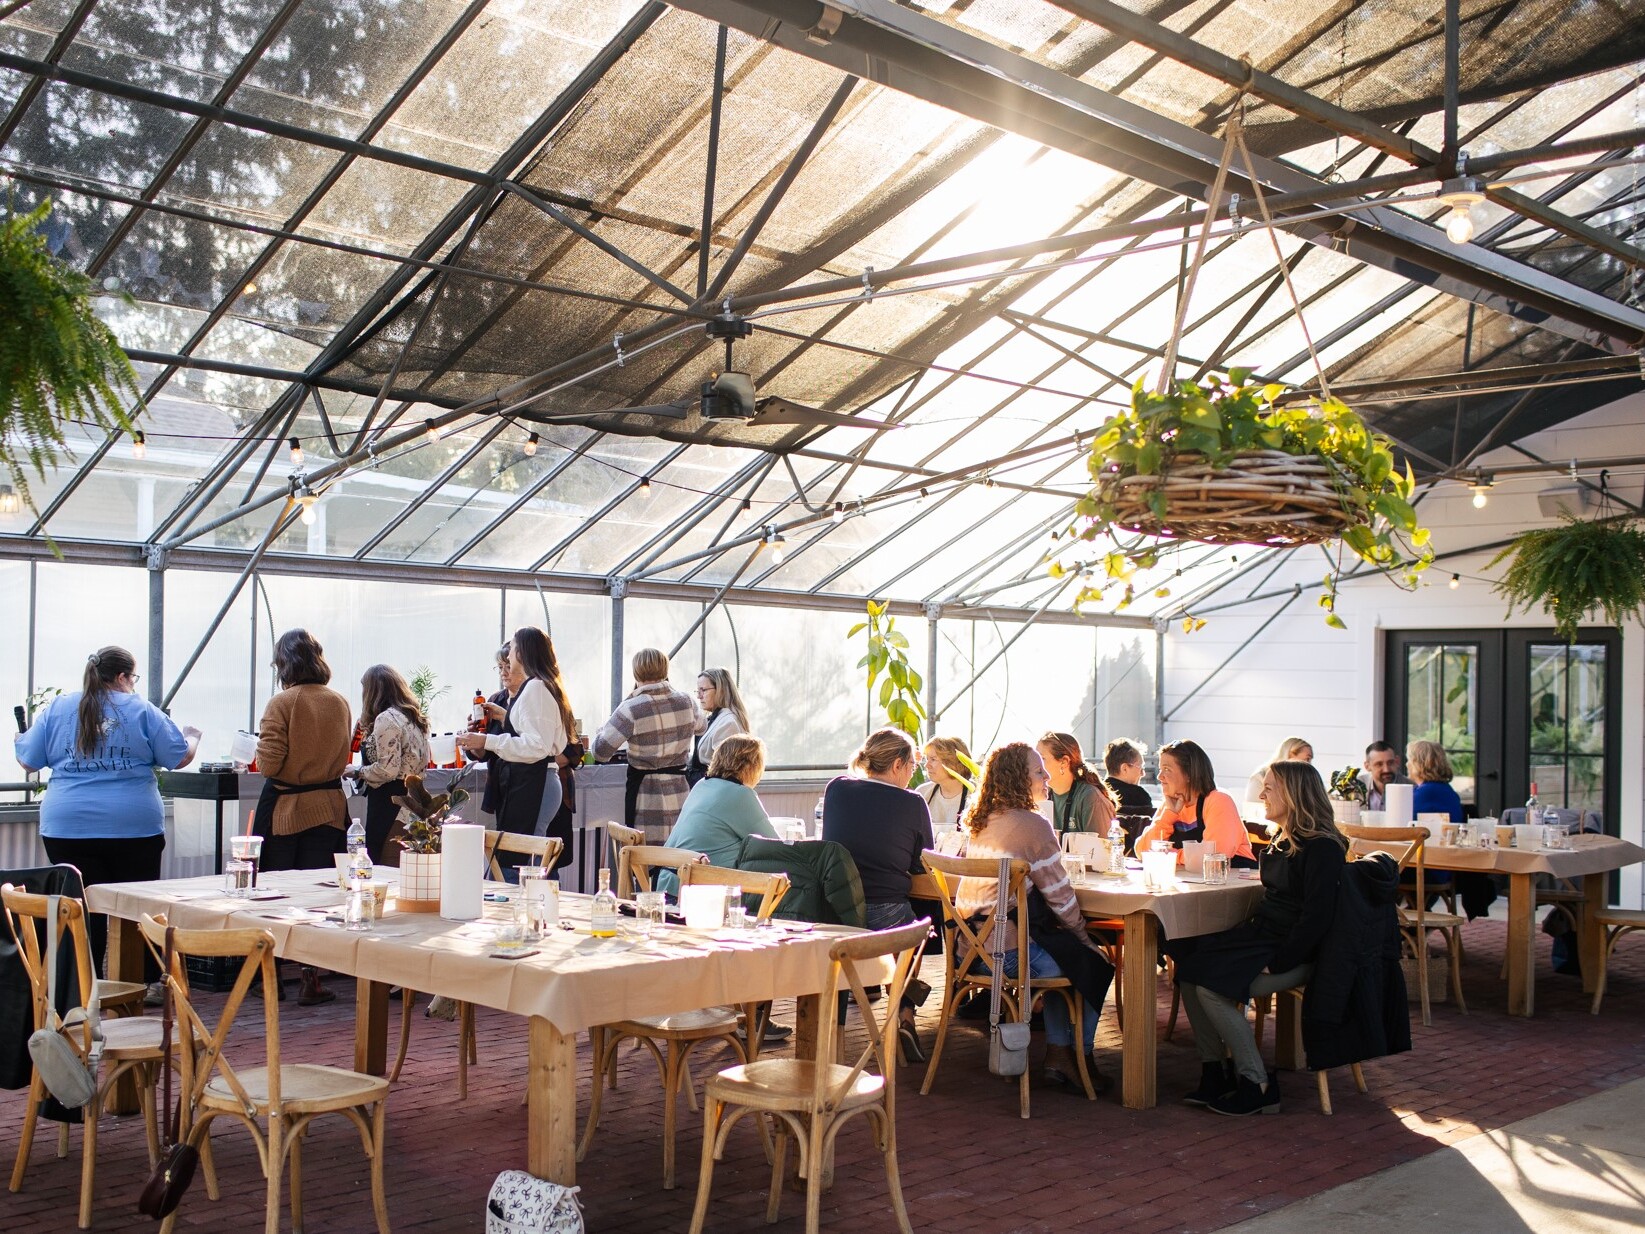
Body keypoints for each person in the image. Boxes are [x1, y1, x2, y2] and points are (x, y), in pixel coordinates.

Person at [14, 646, 199, 992]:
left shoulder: (58, 708)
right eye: (133, 677)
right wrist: (192, 738)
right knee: (139, 907)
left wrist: (18, 740)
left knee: (84, 909)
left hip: (68, 826)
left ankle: (86, 989)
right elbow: (178, 757)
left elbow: (29, 761)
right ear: (122, 677)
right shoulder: (142, 709)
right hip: (134, 827)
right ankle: (145, 985)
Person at [1174, 759, 1349, 1116]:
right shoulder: (1281, 842)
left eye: (1270, 788)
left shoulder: (1322, 848)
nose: (1262, 794)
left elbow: (1317, 919)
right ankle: (1215, 1072)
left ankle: (1258, 1083)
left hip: (1298, 954)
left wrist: (1278, 962)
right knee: (1189, 972)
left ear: (1294, 794)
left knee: (1212, 988)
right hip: (1265, 938)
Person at [955, 742, 1114, 1094]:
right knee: (1091, 961)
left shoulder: (981, 821)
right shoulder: (1033, 825)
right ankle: (1080, 1057)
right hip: (1008, 955)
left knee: (1065, 957)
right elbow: (1061, 898)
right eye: (1038, 770)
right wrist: (1085, 939)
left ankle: (1059, 1055)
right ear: (1018, 778)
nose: (1046, 776)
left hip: (970, 952)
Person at [821, 727, 934, 1063]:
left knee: (906, 928)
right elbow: (922, 862)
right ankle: (904, 1016)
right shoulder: (912, 802)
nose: (913, 774)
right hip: (886, 913)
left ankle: (837, 1028)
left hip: (835, 912)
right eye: (912, 766)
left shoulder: (837, 789)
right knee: (917, 933)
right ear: (897, 765)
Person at [255, 629, 353, 1006]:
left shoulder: (282, 702)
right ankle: (311, 978)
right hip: (329, 807)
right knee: (319, 895)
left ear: (284, 664)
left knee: (275, 893)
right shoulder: (340, 702)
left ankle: (271, 978)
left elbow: (268, 763)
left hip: (285, 809)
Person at [457, 628, 574, 871]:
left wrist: (486, 741)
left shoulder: (536, 688)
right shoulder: (539, 687)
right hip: (529, 782)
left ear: (522, 653)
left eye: (511, 650)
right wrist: (498, 723)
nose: (507, 657)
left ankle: (521, 906)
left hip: (535, 782)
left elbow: (536, 746)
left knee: (518, 862)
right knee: (520, 860)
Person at [590, 648, 704, 841]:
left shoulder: (630, 708)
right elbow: (702, 727)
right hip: (681, 791)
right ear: (665, 670)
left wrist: (603, 730)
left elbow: (600, 752)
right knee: (679, 850)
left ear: (636, 673)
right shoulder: (687, 701)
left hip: (645, 794)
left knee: (645, 857)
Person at [658, 735, 779, 896]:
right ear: (751, 766)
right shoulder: (740, 794)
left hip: (667, 884)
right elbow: (774, 845)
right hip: (701, 895)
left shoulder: (702, 785)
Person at [350, 665, 432, 866]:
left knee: (386, 865)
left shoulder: (386, 718)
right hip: (414, 802)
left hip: (390, 804)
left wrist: (358, 771)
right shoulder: (412, 718)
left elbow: (388, 769)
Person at [1134, 739, 1256, 867]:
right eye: (1160, 769)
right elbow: (1142, 851)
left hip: (1238, 883)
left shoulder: (1219, 801)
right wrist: (1169, 815)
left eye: (1167, 769)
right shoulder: (1171, 804)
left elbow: (1214, 856)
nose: (1159, 776)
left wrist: (1168, 856)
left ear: (1189, 774)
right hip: (1194, 883)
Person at [1037, 732, 1117, 836]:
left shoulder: (1090, 798)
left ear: (1064, 762)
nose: (1037, 764)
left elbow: (1102, 850)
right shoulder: (1043, 796)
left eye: (1041, 759)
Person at [688, 667, 749, 785]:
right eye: (698, 691)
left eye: (703, 690)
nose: (699, 696)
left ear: (720, 690)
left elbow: (725, 770)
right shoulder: (716, 718)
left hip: (711, 788)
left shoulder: (728, 723)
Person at [477, 643, 512, 819]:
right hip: (500, 783)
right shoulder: (496, 699)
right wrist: (476, 737)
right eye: (500, 667)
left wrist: (505, 718)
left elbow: (530, 740)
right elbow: (485, 754)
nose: (503, 672)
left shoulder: (531, 698)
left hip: (525, 781)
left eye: (509, 666)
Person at [916, 735, 973, 834]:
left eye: (933, 759)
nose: (926, 765)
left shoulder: (976, 795)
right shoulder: (922, 793)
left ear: (952, 763)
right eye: (927, 759)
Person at [1407, 740, 1464, 822]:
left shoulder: (1425, 793)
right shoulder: (1446, 790)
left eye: (1409, 760)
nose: (1407, 764)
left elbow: (1403, 822)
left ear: (1417, 763)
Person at [1245, 737, 1313, 802]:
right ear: (1290, 755)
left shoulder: (1307, 782)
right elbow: (1253, 809)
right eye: (1307, 759)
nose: (1310, 764)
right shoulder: (1259, 778)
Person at [1103, 738, 1156, 819]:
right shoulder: (1139, 796)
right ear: (1124, 768)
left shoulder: (1098, 793)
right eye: (1141, 767)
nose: (1143, 773)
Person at [1359, 741, 1411, 811]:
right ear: (1367, 766)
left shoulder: (1411, 788)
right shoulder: (1357, 786)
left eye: (1390, 763)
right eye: (1379, 764)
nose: (1386, 770)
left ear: (1397, 762)